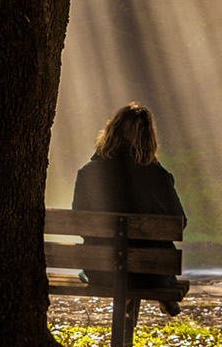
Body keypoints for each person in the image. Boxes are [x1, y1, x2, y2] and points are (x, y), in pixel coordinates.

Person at [71, 102, 188, 316]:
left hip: (101, 270)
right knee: (142, 263)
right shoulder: (158, 177)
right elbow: (181, 222)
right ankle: (163, 295)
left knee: (111, 265)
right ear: (149, 138)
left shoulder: (88, 173)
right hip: (152, 274)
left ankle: (127, 302)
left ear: (111, 132)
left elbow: (79, 224)